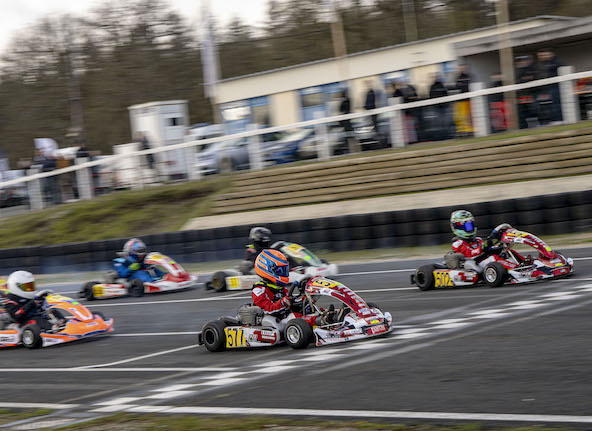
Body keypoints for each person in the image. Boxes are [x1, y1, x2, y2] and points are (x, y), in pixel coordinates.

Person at [536, 48, 563, 124]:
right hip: (548, 88)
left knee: (557, 104)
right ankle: (555, 119)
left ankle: (559, 119)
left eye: (542, 55)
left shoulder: (556, 62)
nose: (541, 57)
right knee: (552, 104)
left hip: (556, 86)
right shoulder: (542, 64)